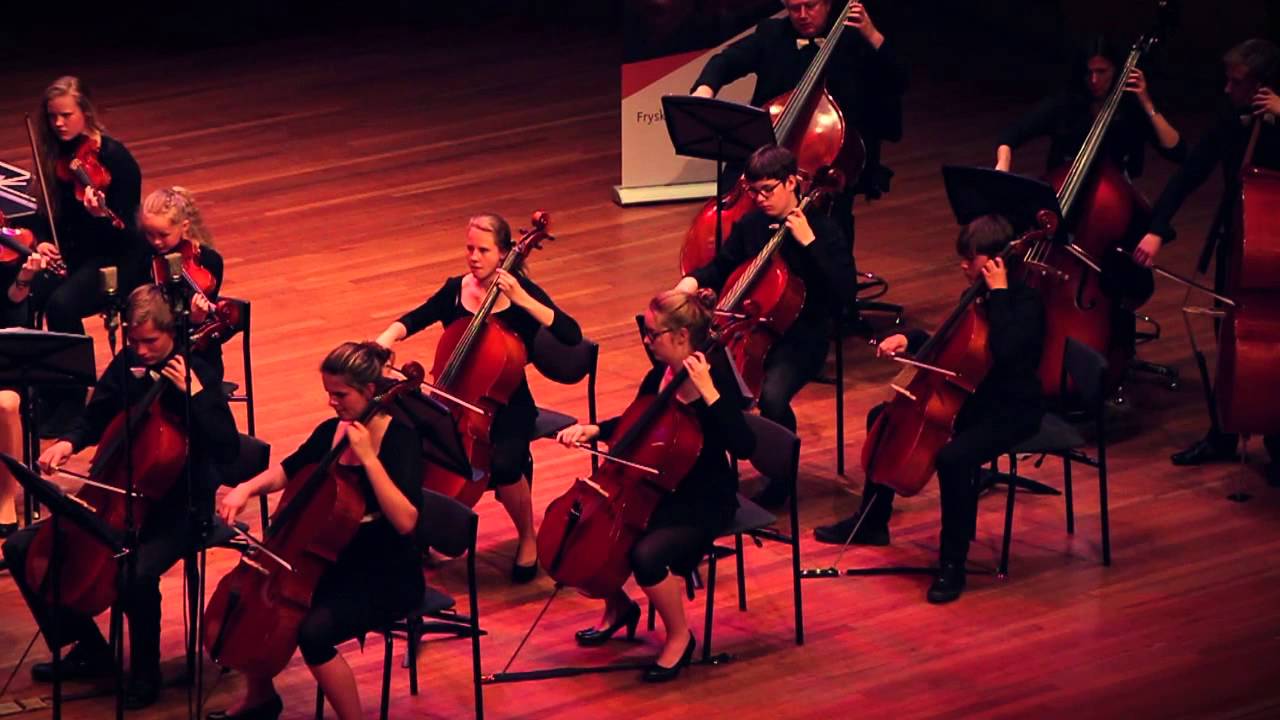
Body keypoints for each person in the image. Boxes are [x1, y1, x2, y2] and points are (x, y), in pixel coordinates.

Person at [1, 284, 238, 708]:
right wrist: (69, 443)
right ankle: (90, 649)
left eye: (151, 342)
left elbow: (229, 450)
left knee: (132, 573)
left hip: (180, 509)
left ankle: (145, 672)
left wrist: (196, 398)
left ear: (172, 333)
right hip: (118, 495)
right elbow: (97, 414)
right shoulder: (129, 363)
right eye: (134, 341)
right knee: (24, 547)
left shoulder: (198, 370)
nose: (141, 350)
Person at [813, 215, 1045, 604]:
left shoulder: (1026, 304)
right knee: (883, 419)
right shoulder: (974, 296)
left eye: (970, 259)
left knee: (954, 458)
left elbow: (1007, 355)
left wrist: (1000, 294)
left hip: (1011, 410)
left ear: (995, 263)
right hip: (971, 399)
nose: (963, 266)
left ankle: (952, 562)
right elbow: (949, 343)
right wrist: (909, 337)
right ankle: (873, 521)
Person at [212, 341, 423, 720]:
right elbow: (289, 469)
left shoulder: (400, 439)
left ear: (370, 391)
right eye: (329, 393)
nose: (332, 403)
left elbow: (406, 520)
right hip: (330, 560)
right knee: (254, 604)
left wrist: (371, 459)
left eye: (340, 394)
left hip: (383, 573)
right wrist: (246, 488)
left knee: (312, 632)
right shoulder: (332, 430)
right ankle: (260, 697)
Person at [555, 288, 754, 681]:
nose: (646, 340)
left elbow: (745, 445)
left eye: (654, 334)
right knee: (585, 534)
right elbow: (637, 422)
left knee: (644, 555)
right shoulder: (658, 373)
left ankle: (679, 636)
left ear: (682, 336)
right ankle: (619, 608)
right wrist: (595, 429)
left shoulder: (716, 380)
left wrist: (710, 395)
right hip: (653, 487)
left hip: (702, 500)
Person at [375, 212, 581, 582]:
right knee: (409, 440)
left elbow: (571, 334)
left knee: (504, 465)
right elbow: (416, 317)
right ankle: (418, 526)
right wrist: (385, 339)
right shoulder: (457, 288)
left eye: (483, 250)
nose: (473, 257)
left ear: (503, 253)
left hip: (508, 404)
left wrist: (524, 300)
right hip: (453, 398)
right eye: (469, 248)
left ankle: (528, 538)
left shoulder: (520, 295)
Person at [1130, 38, 1280, 479]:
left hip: (1275, 247)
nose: (1227, 90)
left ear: (1261, 86)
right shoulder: (1231, 120)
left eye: (1237, 83)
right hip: (1241, 244)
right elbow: (1191, 171)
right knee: (1229, 335)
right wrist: (1157, 228)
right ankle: (1225, 430)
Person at [674, 144, 855, 508]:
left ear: (792, 182)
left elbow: (844, 296)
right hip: (751, 330)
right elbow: (723, 266)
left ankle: (780, 476)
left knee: (772, 397)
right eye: (753, 191)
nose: (758, 199)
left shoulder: (824, 230)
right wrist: (692, 281)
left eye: (767, 190)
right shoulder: (753, 225)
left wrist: (811, 245)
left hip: (802, 337)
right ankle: (709, 472)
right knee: (696, 378)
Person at [691, 0, 906, 290]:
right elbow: (726, 61)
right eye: (794, 8)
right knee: (733, 189)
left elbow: (898, 78)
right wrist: (706, 88)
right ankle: (722, 282)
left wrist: (871, 33)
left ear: (829, 4)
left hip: (830, 161)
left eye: (810, 5)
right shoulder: (772, 34)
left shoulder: (854, 39)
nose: (802, 15)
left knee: (832, 217)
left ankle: (837, 301)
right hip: (770, 148)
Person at [22, 76, 144, 436]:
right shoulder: (56, 156)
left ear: (85, 112)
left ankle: (74, 397)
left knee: (61, 305)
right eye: (52, 117)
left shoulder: (116, 160)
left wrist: (100, 217)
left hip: (117, 260)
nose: (58, 123)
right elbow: (43, 214)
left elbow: (128, 233)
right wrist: (40, 241)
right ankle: (45, 383)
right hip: (76, 255)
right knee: (28, 288)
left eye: (66, 115)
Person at [134, 186, 228, 378]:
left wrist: (195, 319)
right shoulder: (144, 259)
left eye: (163, 235)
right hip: (154, 349)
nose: (156, 242)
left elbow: (207, 327)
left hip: (198, 353)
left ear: (184, 227)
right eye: (149, 235)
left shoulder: (209, 261)